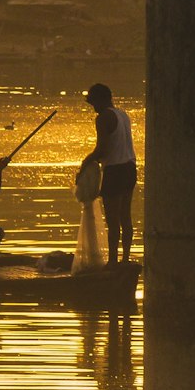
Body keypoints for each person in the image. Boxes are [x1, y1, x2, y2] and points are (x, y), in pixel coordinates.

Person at [78, 82, 137, 266]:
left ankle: (112, 262)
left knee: (113, 219)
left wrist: (84, 163)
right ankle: (125, 259)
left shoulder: (104, 117)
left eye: (94, 102)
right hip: (130, 168)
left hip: (115, 170)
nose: (93, 108)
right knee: (125, 217)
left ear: (102, 99)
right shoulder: (123, 115)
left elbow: (102, 150)